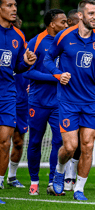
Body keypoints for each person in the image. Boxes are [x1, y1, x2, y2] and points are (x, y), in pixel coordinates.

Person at [44, 0, 95, 201]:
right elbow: (48, 59)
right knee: (70, 147)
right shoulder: (64, 37)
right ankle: (59, 171)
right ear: (81, 16)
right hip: (68, 101)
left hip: (91, 101)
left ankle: (79, 189)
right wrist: (58, 74)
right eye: (91, 13)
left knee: (87, 146)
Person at [24, 9, 68, 196]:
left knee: (59, 141)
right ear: (52, 24)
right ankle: (34, 181)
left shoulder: (67, 41)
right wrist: (55, 76)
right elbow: (28, 71)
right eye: (63, 22)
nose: (67, 25)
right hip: (38, 101)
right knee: (35, 142)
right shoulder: (36, 41)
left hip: (60, 101)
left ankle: (53, 181)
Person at [0, 0, 36, 205]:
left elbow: (17, 67)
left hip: (7, 92)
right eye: (9, 5)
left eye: (15, 5)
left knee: (5, 143)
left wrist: (27, 62)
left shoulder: (19, 36)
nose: (14, 9)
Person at [7, 15, 28, 189]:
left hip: (21, 101)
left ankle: (12, 176)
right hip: (5, 97)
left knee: (19, 141)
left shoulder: (25, 49)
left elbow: (31, 68)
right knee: (3, 139)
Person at [64, 9, 81, 191]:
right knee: (62, 142)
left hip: (82, 97)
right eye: (78, 20)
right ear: (69, 22)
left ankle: (71, 174)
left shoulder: (91, 41)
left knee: (81, 140)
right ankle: (58, 174)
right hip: (60, 96)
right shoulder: (61, 41)